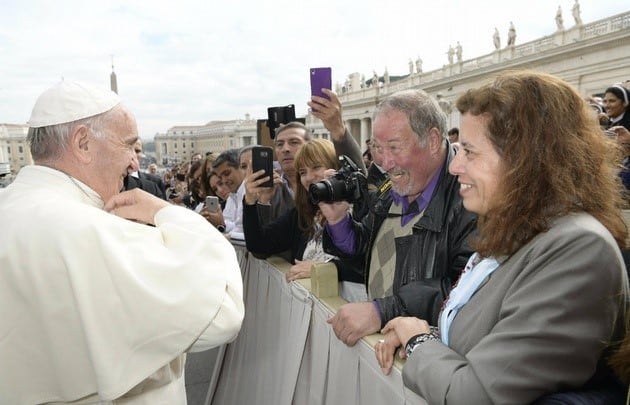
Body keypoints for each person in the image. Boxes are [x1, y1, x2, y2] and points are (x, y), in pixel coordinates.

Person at [375, 71, 628, 404]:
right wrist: (432, 337)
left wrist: (419, 342)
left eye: (469, 151)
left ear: (524, 159)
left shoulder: (579, 248)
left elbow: (477, 395)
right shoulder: (519, 231)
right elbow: (493, 344)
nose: (454, 166)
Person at [0, 81, 244, 404]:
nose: (135, 162)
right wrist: (166, 213)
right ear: (83, 143)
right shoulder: (90, 230)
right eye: (129, 145)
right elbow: (222, 311)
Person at [321, 89, 477, 346]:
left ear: (433, 140)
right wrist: (338, 221)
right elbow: (365, 250)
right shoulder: (393, 186)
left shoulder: (470, 201)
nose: (384, 162)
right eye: (378, 148)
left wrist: (383, 311)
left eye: (394, 147)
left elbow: (467, 293)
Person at [243, 138, 366, 302]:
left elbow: (369, 267)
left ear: (334, 167)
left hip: (354, 309)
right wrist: (252, 201)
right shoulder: (303, 214)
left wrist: (325, 269)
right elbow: (259, 245)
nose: (309, 178)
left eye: (316, 167)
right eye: (302, 172)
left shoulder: (361, 208)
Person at [211, 148, 245, 239]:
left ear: (240, 167)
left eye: (226, 174)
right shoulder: (232, 196)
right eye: (220, 177)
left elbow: (245, 232)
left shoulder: (250, 192)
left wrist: (222, 224)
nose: (224, 180)